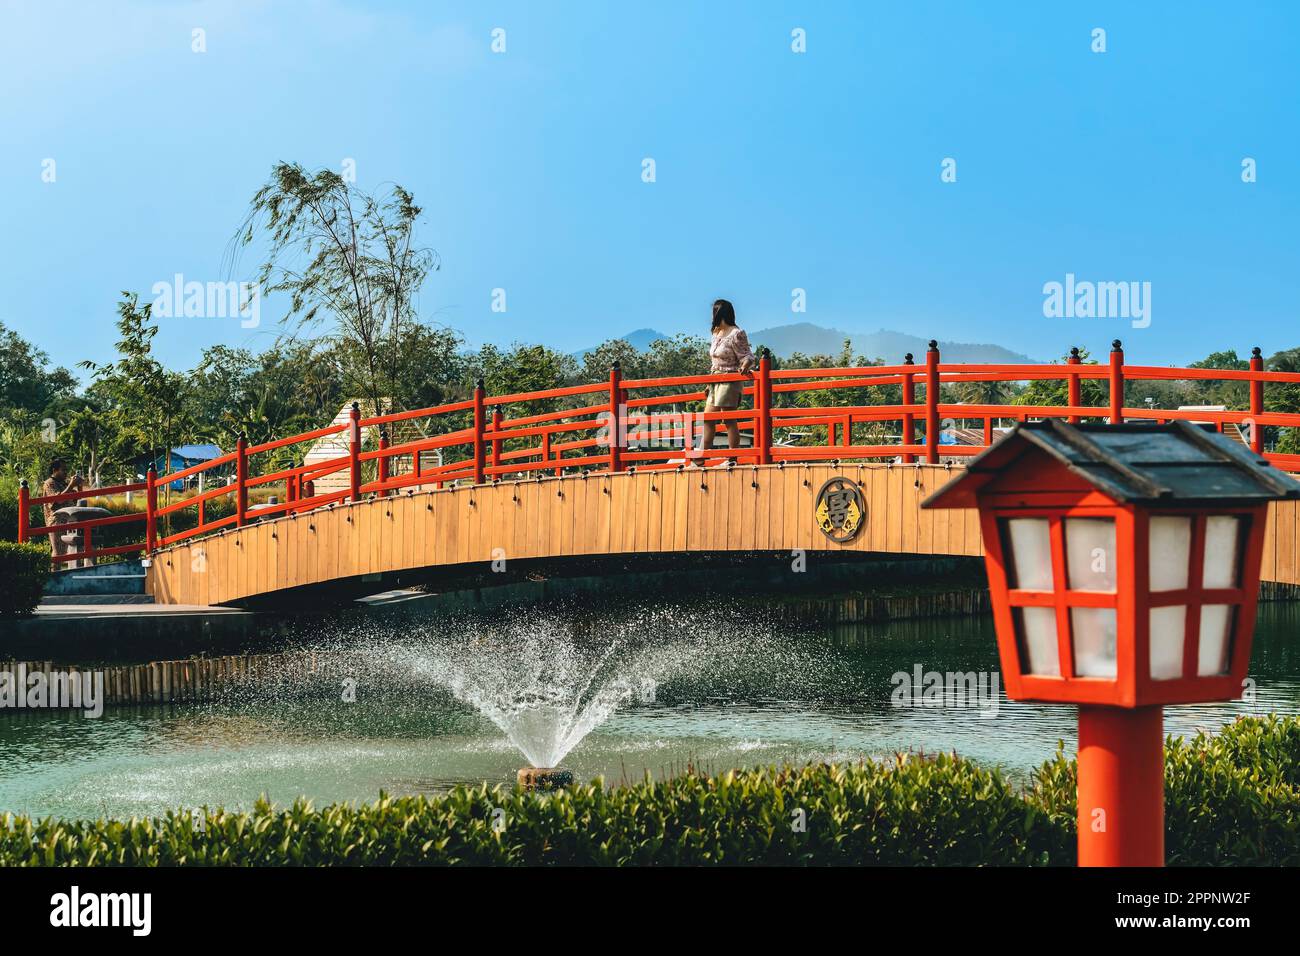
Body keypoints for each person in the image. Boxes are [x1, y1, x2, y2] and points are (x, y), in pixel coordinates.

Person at [694, 298, 755, 463]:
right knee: (708, 418)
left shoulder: (736, 333)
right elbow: (715, 361)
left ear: (720, 314)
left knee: (728, 419)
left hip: (730, 380)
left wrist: (745, 366)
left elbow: (748, 356)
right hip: (715, 380)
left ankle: (732, 457)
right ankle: (702, 455)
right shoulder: (715, 332)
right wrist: (709, 384)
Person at [41, 459, 83, 568]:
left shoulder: (64, 484)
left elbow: (76, 499)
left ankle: (59, 574)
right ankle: (54, 576)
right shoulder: (49, 483)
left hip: (69, 520)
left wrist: (79, 486)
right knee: (58, 552)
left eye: (66, 470)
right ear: (55, 470)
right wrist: (70, 485)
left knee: (68, 552)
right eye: (63, 470)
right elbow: (58, 499)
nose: (66, 472)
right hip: (56, 521)